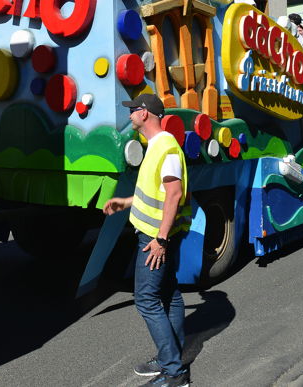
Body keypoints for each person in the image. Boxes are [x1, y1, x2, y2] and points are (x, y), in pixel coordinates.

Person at [104, 94, 191, 387]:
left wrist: (160, 240)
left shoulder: (166, 147)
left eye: (133, 111)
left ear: (145, 114)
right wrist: (126, 202)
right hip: (157, 232)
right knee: (168, 293)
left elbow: (174, 194)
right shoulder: (156, 146)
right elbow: (155, 191)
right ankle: (171, 355)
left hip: (155, 238)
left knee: (146, 299)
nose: (129, 116)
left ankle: (174, 372)